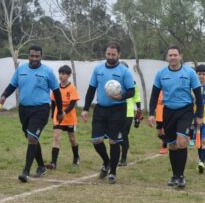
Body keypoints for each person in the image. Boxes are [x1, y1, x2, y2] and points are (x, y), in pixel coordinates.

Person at [0, 45, 64, 182]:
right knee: (31, 137)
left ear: (41, 56)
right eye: (32, 56)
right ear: (28, 56)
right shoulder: (20, 70)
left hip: (41, 109)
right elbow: (12, 85)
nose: (34, 58)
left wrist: (60, 111)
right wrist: (4, 96)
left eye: (37, 56)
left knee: (32, 137)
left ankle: (25, 171)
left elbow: (57, 92)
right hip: (24, 109)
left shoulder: (47, 71)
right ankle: (41, 166)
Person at [148, 45, 203, 188]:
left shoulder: (189, 73)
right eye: (170, 55)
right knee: (172, 145)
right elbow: (154, 95)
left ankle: (181, 176)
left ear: (180, 56)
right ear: (167, 57)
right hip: (169, 112)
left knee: (182, 141)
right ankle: (174, 175)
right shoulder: (161, 74)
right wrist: (151, 114)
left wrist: (199, 115)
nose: (172, 57)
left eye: (175, 55)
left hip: (185, 111)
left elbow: (198, 95)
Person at [81, 42, 135, 184]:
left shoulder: (124, 71)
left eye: (113, 54)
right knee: (96, 140)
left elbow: (131, 91)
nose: (110, 57)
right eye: (108, 54)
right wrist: (86, 109)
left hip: (118, 110)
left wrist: (121, 96)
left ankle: (113, 172)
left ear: (119, 55)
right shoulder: (98, 69)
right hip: (100, 109)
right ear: (106, 54)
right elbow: (91, 89)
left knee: (113, 141)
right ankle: (107, 162)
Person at [46, 65, 80, 170]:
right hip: (58, 118)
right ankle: (53, 163)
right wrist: (53, 115)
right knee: (56, 138)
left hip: (70, 118)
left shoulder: (72, 88)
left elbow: (72, 103)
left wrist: (64, 112)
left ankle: (76, 157)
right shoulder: (56, 88)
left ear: (69, 75)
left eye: (63, 74)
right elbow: (53, 102)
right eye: (60, 73)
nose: (61, 76)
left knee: (72, 139)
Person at [119, 61, 142, 167]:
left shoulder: (132, 82)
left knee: (124, 135)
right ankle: (119, 153)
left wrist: (138, 110)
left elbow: (136, 96)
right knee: (115, 136)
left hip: (127, 113)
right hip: (115, 112)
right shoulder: (114, 82)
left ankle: (123, 159)